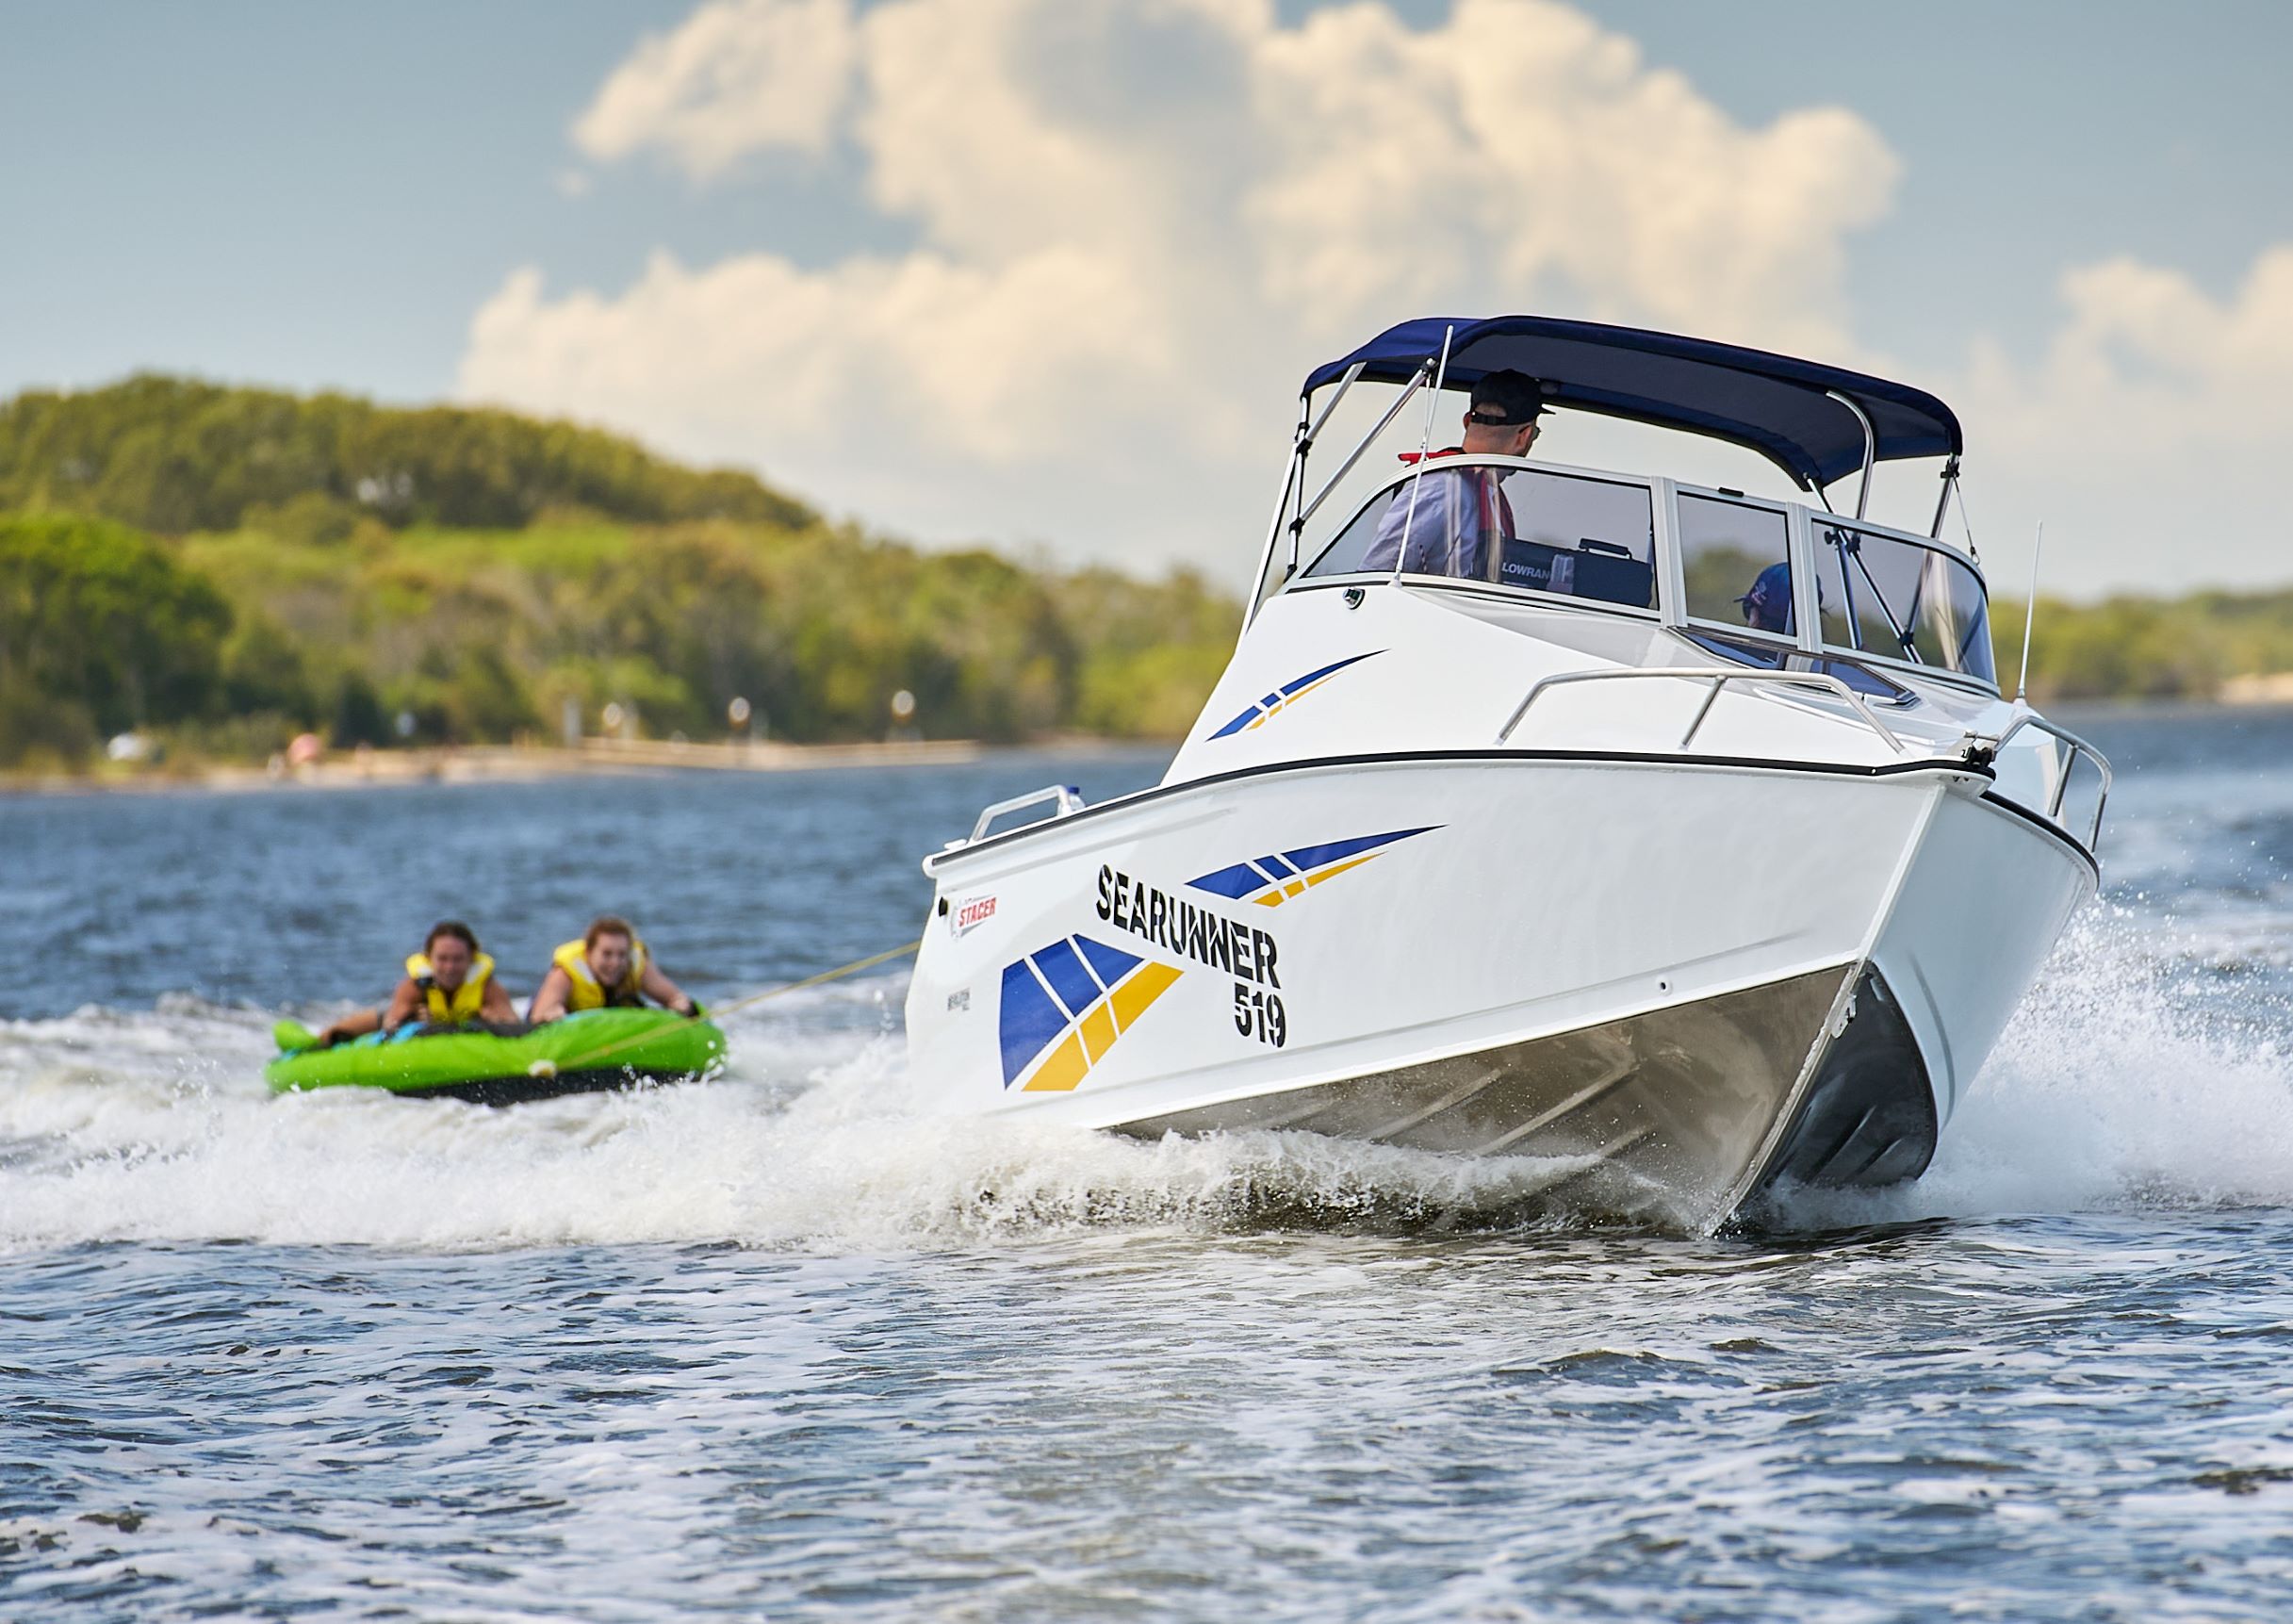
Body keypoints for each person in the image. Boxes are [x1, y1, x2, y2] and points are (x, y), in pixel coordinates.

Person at [1361, 369, 1548, 580]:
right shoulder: (1440, 487)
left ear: (1467, 421)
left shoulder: (1478, 491)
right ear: (1525, 436)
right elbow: (1377, 574)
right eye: (1535, 434)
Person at [313, 920, 518, 1047]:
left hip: (461, 1028)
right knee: (352, 1027)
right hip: (391, 1020)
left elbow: (515, 1027)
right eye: (443, 959)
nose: (449, 967)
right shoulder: (414, 985)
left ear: (471, 958)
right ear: (429, 958)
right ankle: (314, 1043)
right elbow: (390, 1027)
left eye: (457, 959)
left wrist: (492, 1020)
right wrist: (413, 1019)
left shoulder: (488, 987)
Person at [527, 915, 698, 1025]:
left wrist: (681, 1006)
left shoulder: (637, 965)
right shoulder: (566, 972)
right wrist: (554, 1015)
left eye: (622, 955)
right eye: (607, 954)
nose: (615, 963)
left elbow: (675, 998)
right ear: (589, 952)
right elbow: (540, 1016)